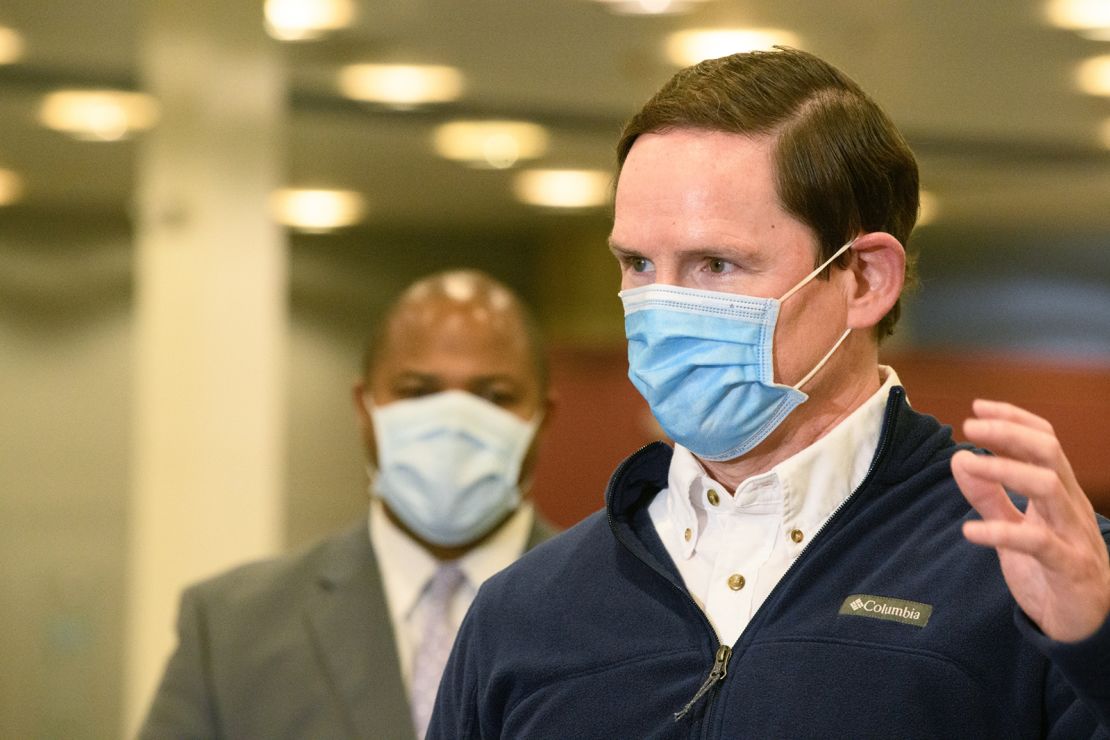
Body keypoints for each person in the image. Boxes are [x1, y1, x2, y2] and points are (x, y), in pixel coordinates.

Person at [429, 48, 1110, 738]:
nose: (662, 309)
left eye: (716, 264)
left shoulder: (1031, 574)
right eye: (638, 264)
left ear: (867, 280)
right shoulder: (526, 611)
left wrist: (1097, 647)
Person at [139, 269, 557, 739]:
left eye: (494, 396)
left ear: (543, 416)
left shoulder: (622, 613)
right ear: (365, 406)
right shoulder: (230, 627)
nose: (453, 422)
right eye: (418, 392)